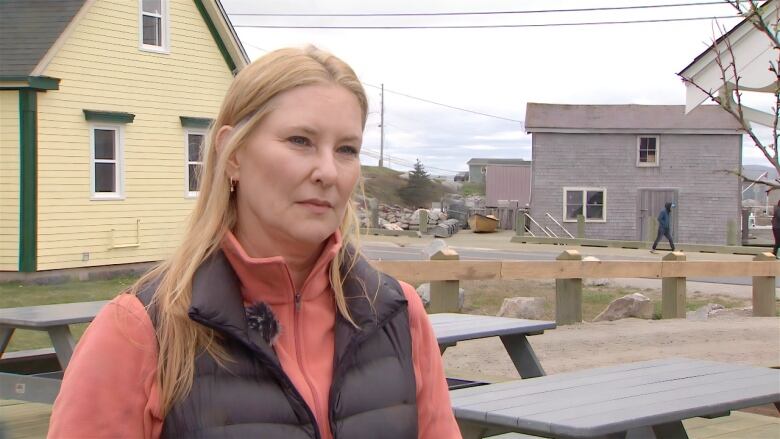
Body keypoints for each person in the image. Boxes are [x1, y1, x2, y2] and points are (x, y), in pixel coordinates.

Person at [48, 46, 461, 439]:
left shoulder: (398, 317)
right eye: (300, 141)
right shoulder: (139, 331)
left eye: (346, 149)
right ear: (233, 153)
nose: (327, 171)